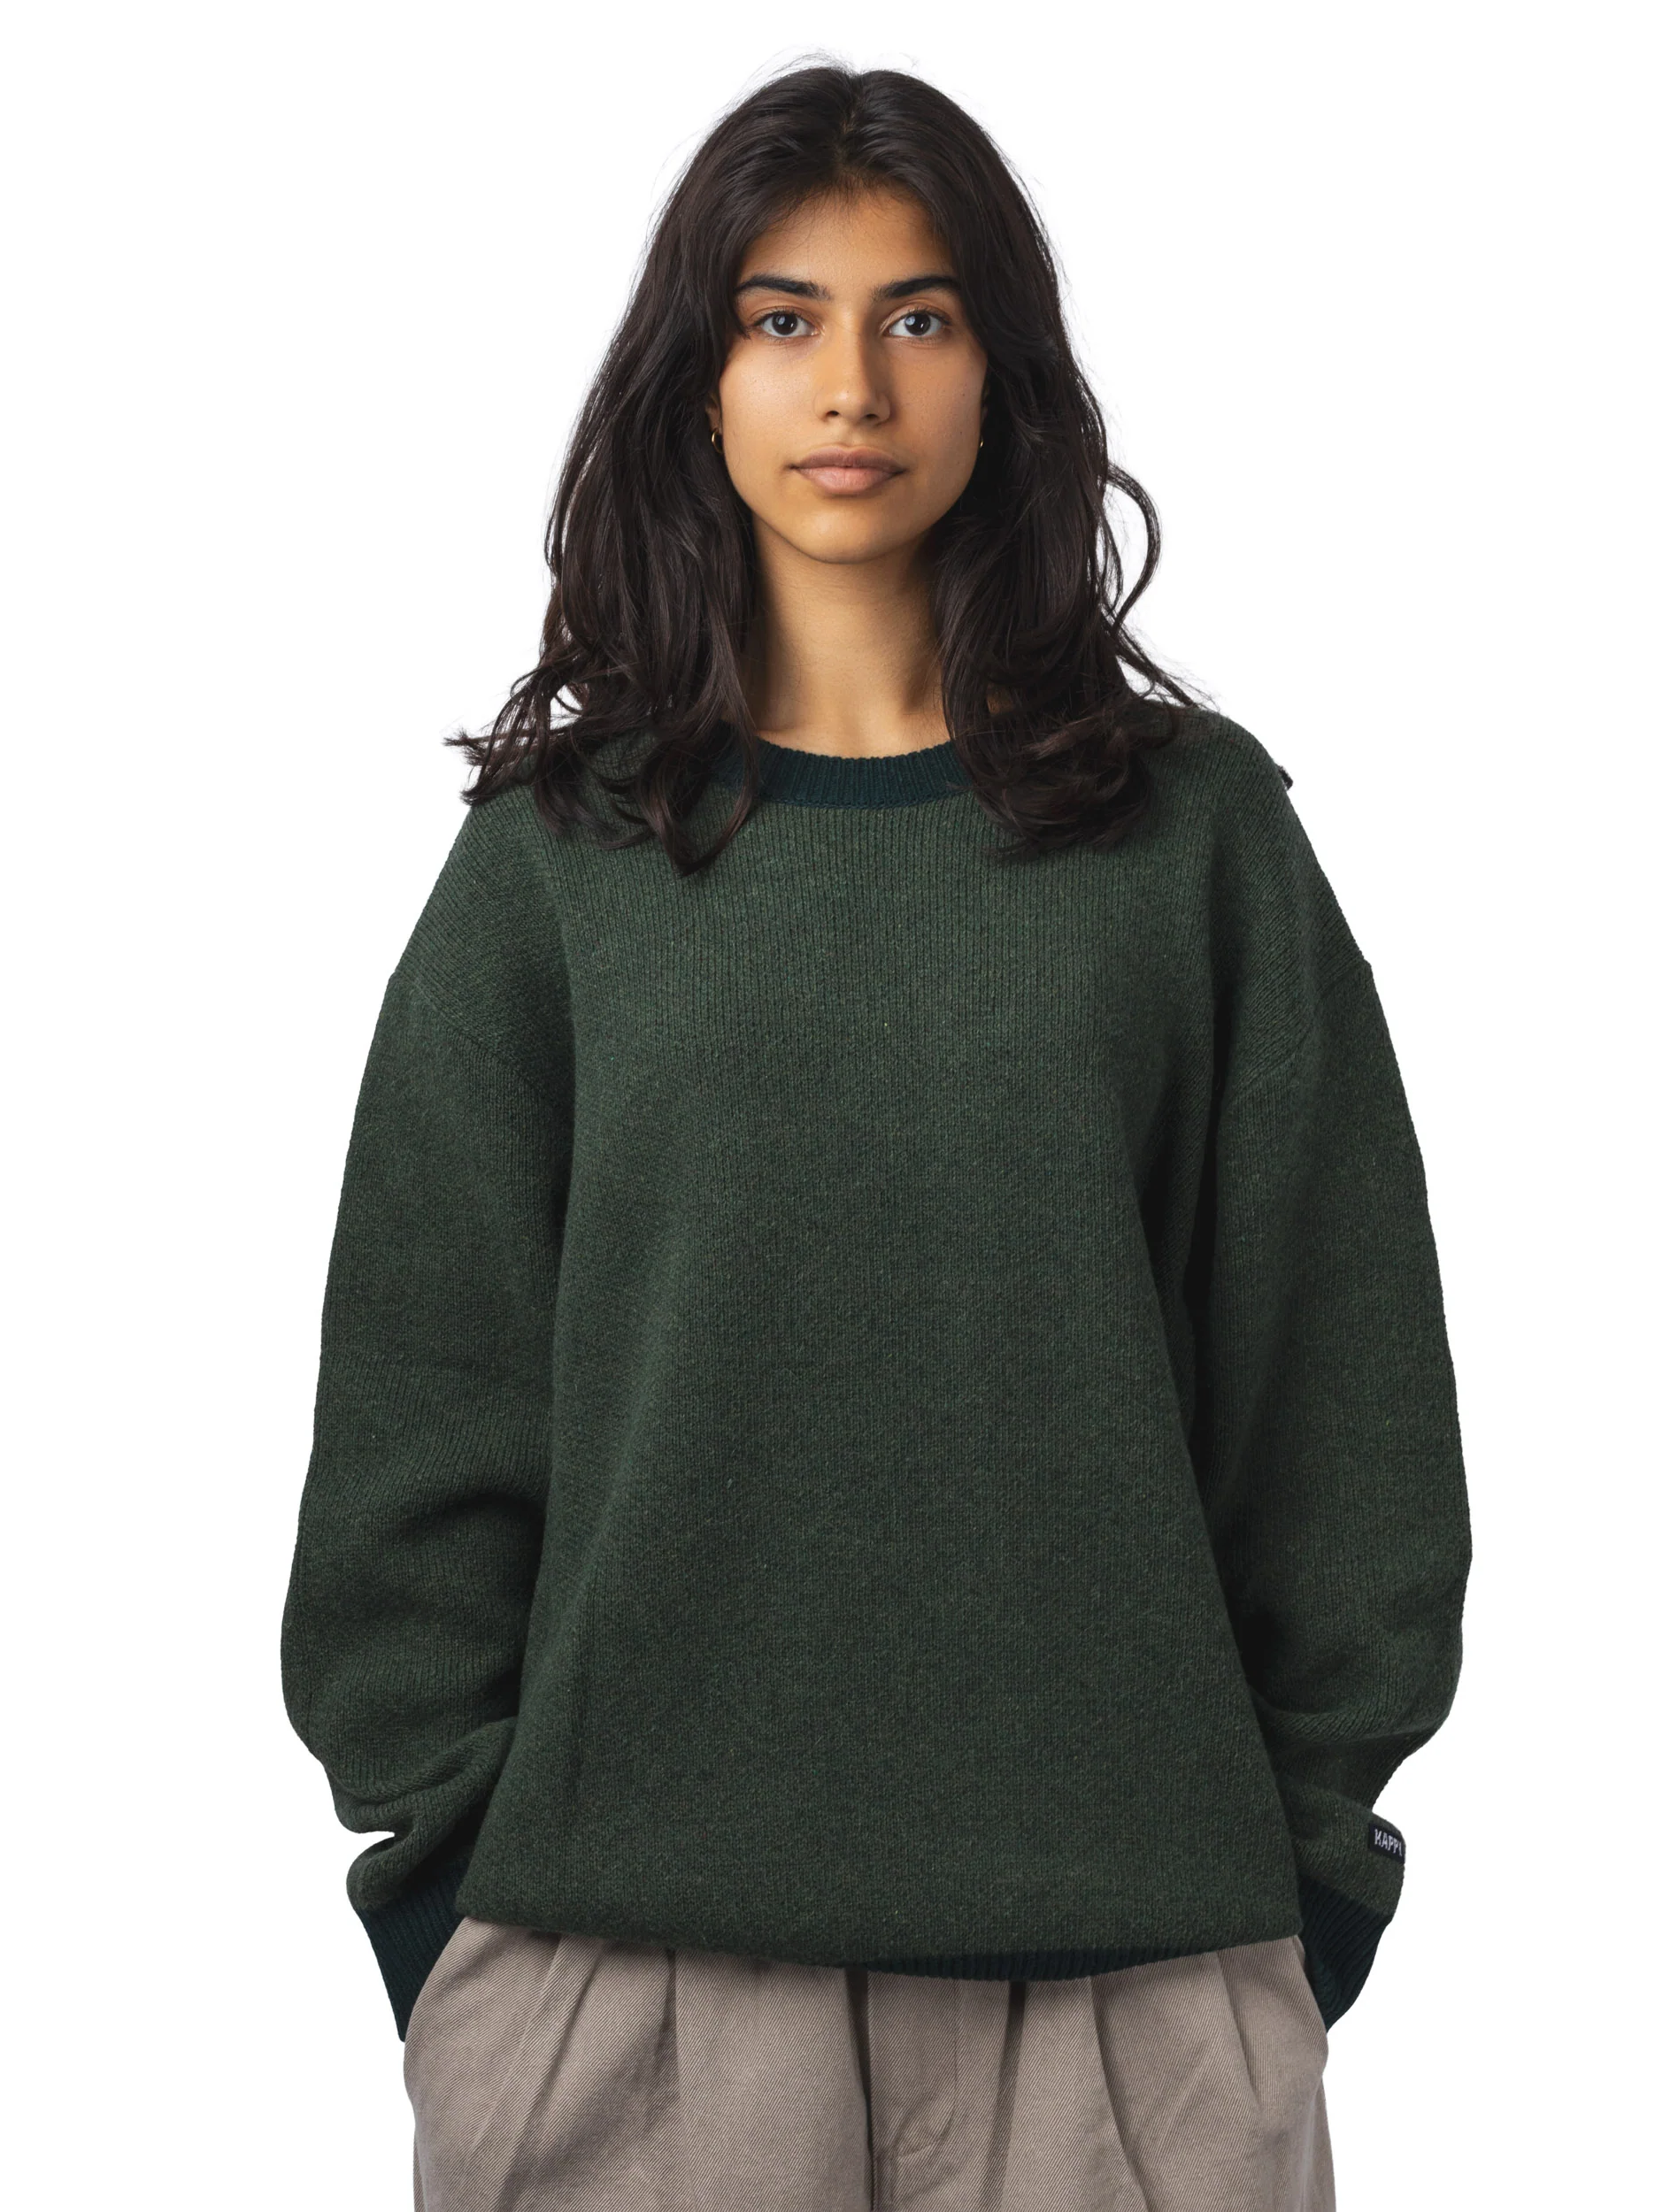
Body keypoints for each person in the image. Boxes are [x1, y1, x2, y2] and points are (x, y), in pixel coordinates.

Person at [281, 60, 1471, 2212]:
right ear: (698, 380)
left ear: (1002, 376)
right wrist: (450, 1907)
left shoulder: (1193, 840)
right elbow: (416, 1419)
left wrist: (1302, 1896)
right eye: (782, 317)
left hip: (1136, 2004)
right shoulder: (555, 866)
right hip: (627, 1997)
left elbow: (1340, 1391)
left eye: (919, 316)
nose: (852, 383)